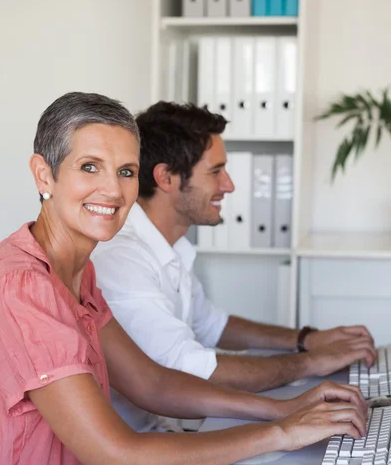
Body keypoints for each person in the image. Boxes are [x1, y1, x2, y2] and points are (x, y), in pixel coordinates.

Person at [0, 93, 368, 465]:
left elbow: (151, 384)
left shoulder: (77, 273)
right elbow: (122, 463)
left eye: (125, 172)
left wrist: (283, 409)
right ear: (44, 174)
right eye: (89, 167)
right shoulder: (25, 286)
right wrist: (280, 432)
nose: (113, 190)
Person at [92, 101, 375, 437]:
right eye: (216, 171)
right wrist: (309, 363)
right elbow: (190, 369)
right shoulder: (122, 258)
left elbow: (212, 324)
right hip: (138, 457)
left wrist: (305, 339)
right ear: (166, 178)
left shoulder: (170, 247)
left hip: (164, 432)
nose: (228, 185)